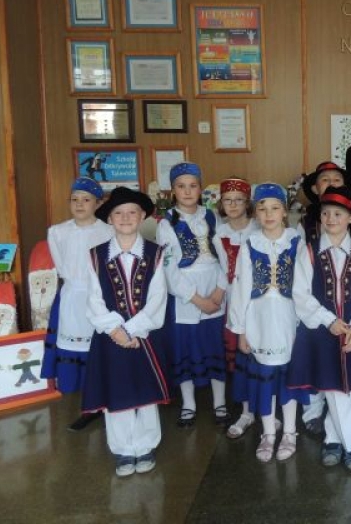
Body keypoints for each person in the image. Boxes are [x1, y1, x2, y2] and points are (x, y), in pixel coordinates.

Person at [288, 185, 351, 473]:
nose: (331, 219)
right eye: (326, 213)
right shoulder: (310, 251)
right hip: (322, 332)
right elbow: (301, 294)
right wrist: (329, 320)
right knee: (334, 389)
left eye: (338, 214)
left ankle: (332, 440)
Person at [81, 187, 168, 477]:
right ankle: (123, 449)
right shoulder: (95, 256)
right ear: (109, 219)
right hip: (110, 337)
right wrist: (115, 330)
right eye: (118, 213)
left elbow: (158, 299)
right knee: (116, 390)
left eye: (132, 212)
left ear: (142, 216)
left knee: (144, 390)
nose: (126, 217)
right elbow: (93, 299)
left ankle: (145, 445)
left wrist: (131, 330)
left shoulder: (155, 253)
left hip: (144, 335)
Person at [228, 183, 308, 462]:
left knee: (288, 377)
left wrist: (304, 324)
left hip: (288, 317)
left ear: (285, 211)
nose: (269, 214)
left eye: (275, 208)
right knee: (264, 377)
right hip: (258, 319)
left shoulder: (296, 241)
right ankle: (268, 433)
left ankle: (290, 431)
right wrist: (240, 329)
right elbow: (240, 288)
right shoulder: (250, 243)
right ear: (255, 213)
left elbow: (304, 286)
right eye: (262, 209)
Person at [156, 162, 229, 427]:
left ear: (200, 189)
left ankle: (219, 401)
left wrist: (220, 290)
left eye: (193, 186)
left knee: (214, 344)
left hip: (214, 282)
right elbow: (168, 268)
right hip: (185, 291)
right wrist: (197, 299)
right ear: (173, 190)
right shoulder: (167, 223)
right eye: (181, 186)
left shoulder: (212, 216)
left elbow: (224, 256)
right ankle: (189, 403)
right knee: (185, 346)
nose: (187, 191)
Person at [41, 177, 113, 431]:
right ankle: (86, 405)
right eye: (74, 200)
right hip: (72, 296)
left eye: (86, 200)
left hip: (100, 296)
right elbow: (62, 266)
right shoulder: (57, 232)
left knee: (100, 349)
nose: (79, 204)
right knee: (75, 350)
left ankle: (104, 402)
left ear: (98, 203)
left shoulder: (108, 231)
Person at [297, 161, 351, 436]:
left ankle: (342, 413)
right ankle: (312, 411)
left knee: (341, 361)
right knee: (314, 358)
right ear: (316, 188)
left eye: (336, 179)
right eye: (324, 180)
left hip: (346, 301)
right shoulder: (304, 223)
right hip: (314, 301)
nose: (330, 183)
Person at [212, 178, 259, 440]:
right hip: (235, 301)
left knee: (263, 355)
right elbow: (223, 269)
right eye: (227, 200)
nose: (232, 205)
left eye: (238, 200)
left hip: (261, 301)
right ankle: (246, 411)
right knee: (242, 357)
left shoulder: (259, 228)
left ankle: (267, 408)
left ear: (247, 203)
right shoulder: (219, 234)